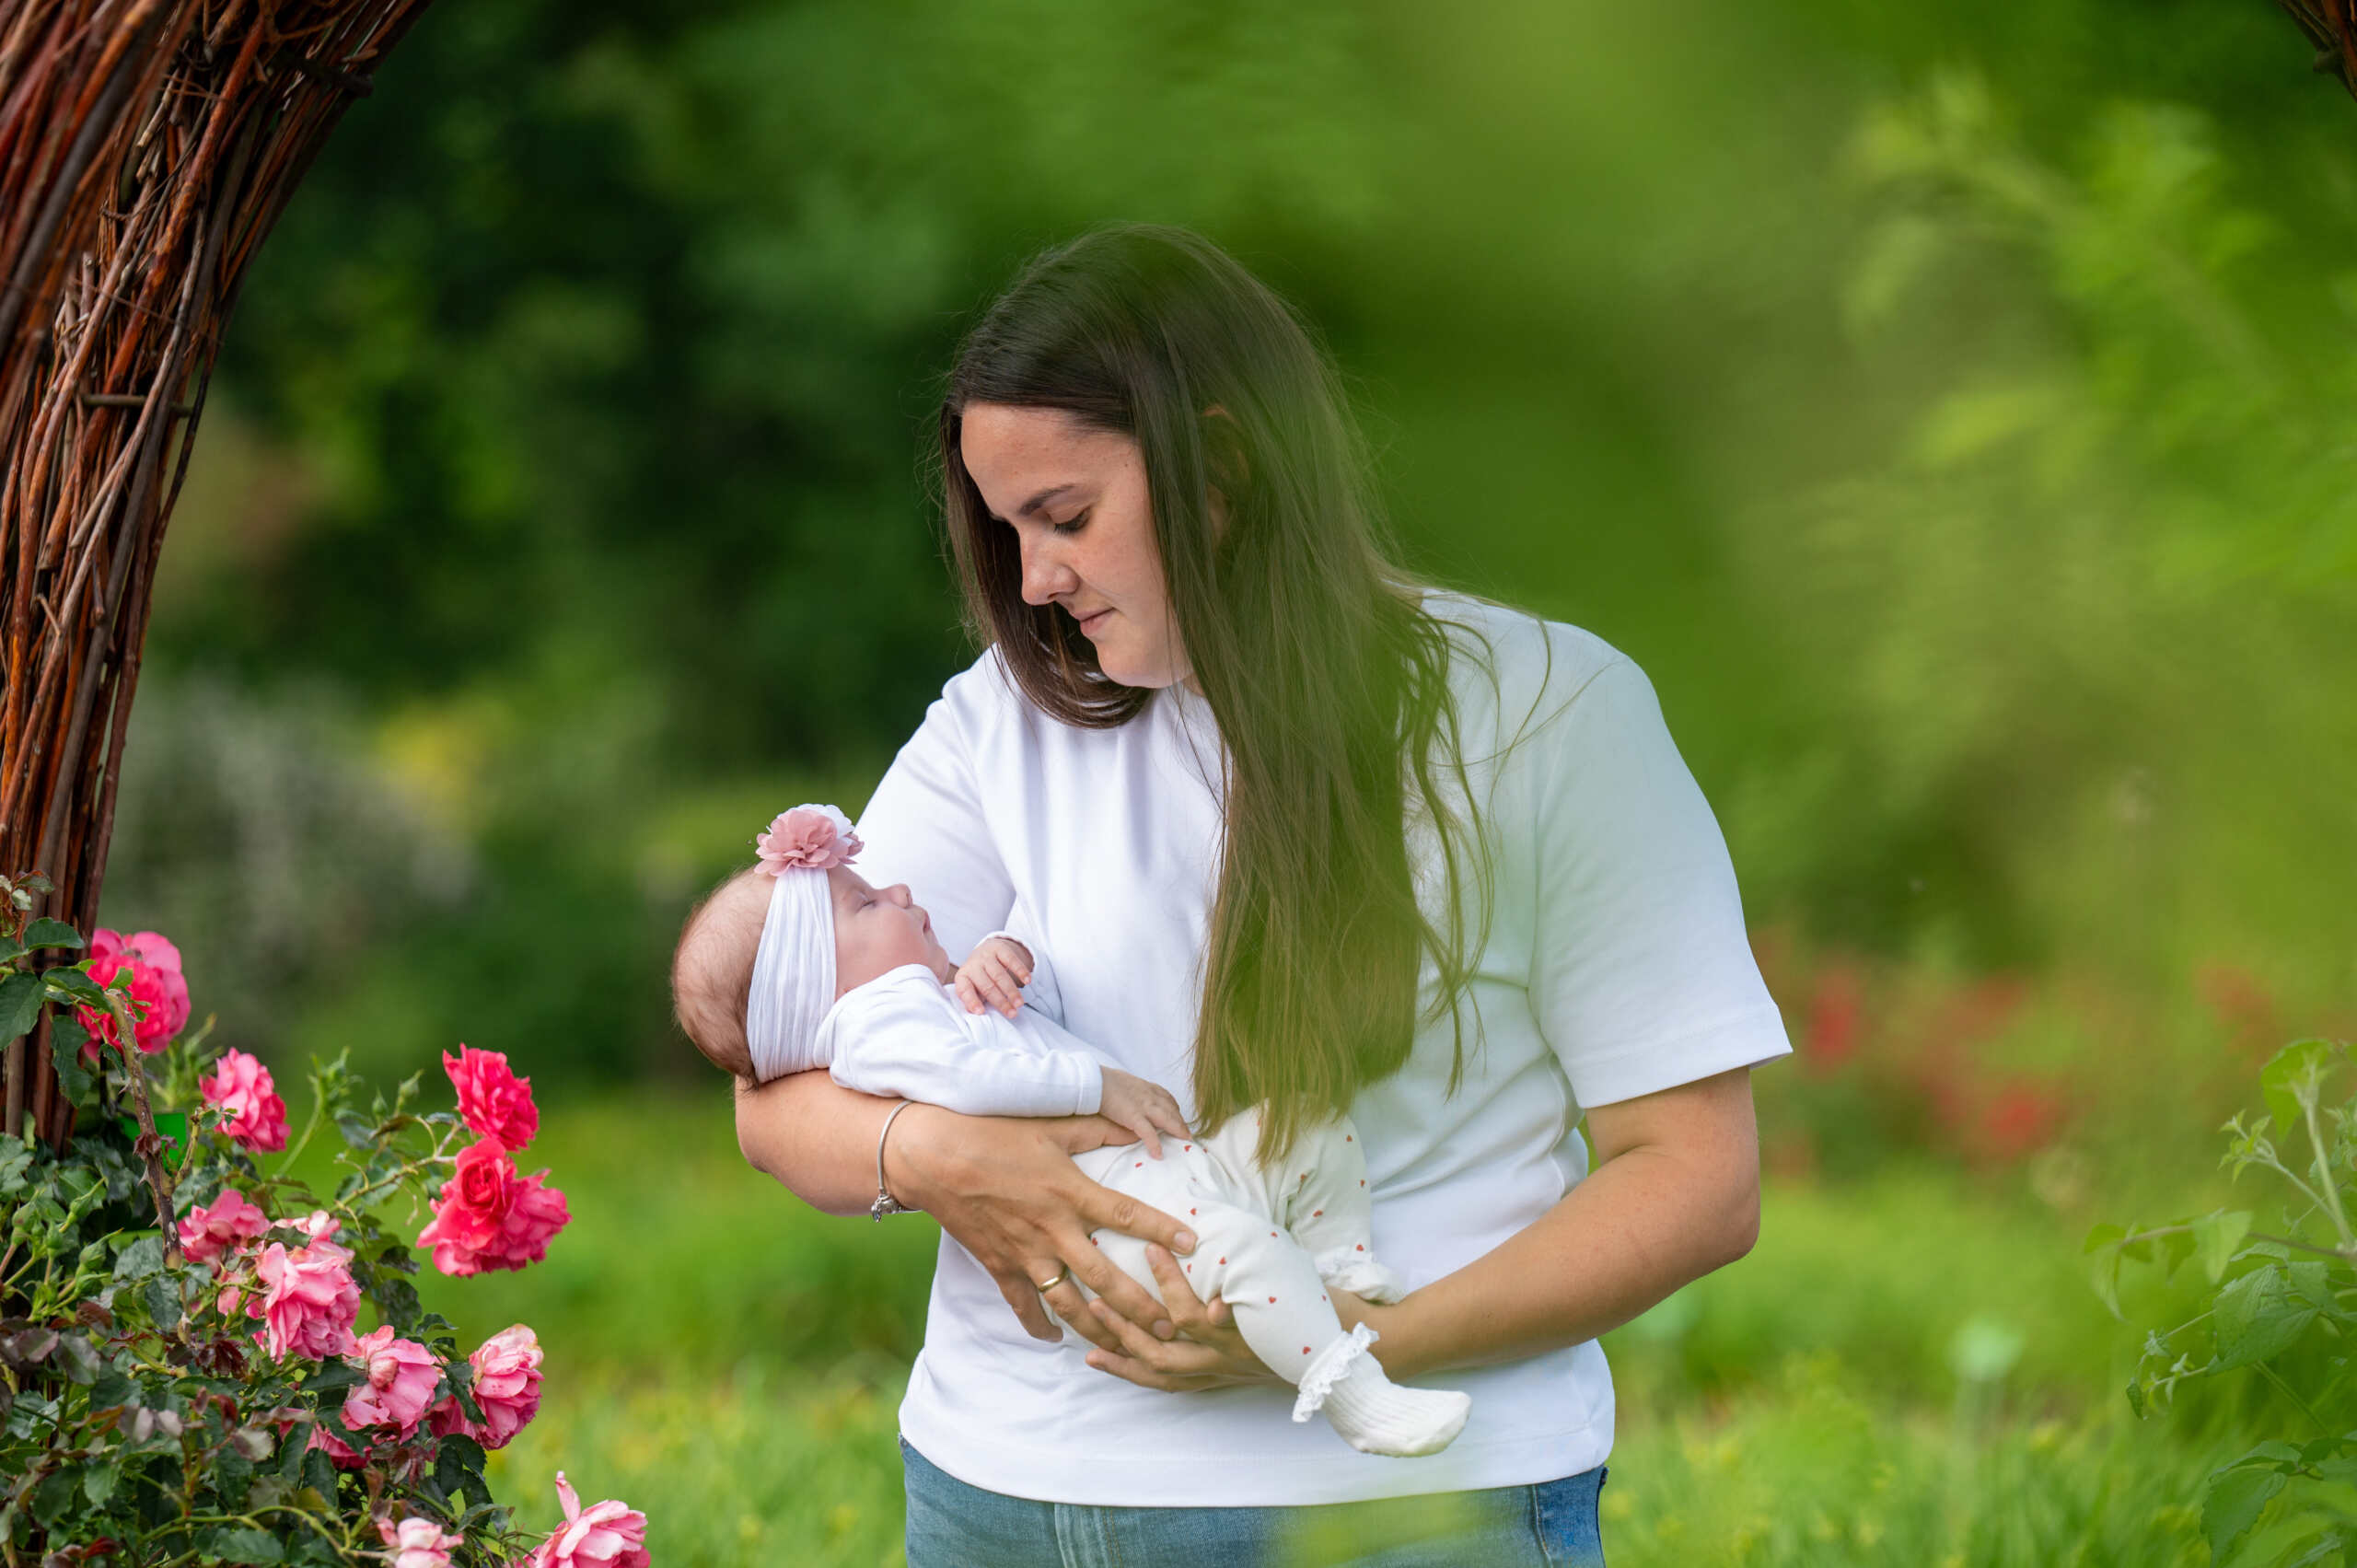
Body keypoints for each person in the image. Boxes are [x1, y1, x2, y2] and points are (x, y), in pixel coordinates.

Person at [731, 223, 1791, 1567]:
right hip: (1011, 1497)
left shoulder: (1548, 713)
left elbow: (1696, 1176)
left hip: (1413, 1514)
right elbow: (776, 1091)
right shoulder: (1006, 719)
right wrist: (939, 1156)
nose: (1035, 579)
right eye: (1010, 532)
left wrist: (1349, 1346)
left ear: (1221, 468)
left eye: (1066, 516)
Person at [669, 805, 1473, 1456]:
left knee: (1301, 1126)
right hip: (1110, 1211)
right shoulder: (873, 1021)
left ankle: (1337, 1266)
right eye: (868, 904)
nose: (902, 890)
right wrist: (1099, 1085)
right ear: (820, 985)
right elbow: (976, 1079)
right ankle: (1354, 1394)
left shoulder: (926, 1004)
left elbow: (1027, 1030)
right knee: (1250, 1254)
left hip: (1166, 1167)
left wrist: (999, 962)